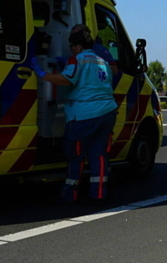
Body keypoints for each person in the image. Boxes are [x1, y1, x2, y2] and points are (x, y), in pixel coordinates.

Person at [31, 27, 119, 202]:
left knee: (75, 156)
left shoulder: (76, 59)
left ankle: (70, 194)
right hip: (107, 112)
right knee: (99, 154)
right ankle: (99, 194)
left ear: (78, 46)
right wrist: (65, 65)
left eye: (72, 46)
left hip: (84, 115)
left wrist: (43, 74)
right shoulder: (101, 60)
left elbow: (66, 80)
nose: (70, 49)